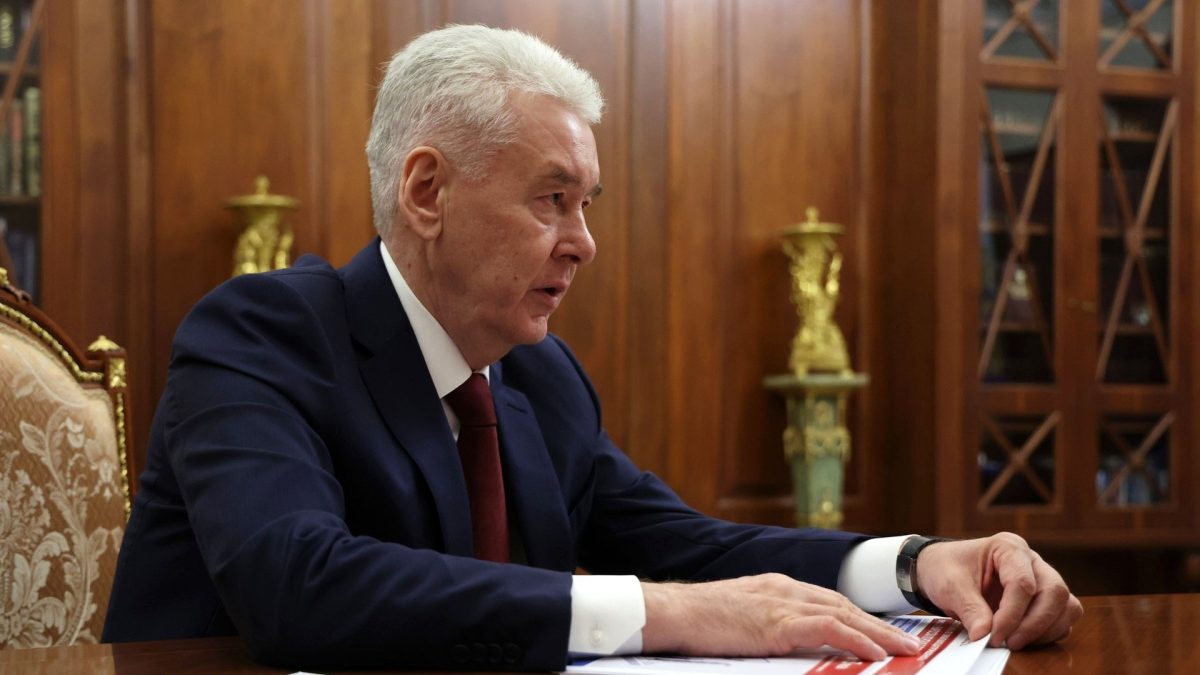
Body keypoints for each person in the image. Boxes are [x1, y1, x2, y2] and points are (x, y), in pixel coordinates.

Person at [103, 24, 1082, 671]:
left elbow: (690, 547)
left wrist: (916, 563)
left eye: (587, 204)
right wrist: (673, 614)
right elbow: (295, 582)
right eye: (552, 199)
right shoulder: (261, 333)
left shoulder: (538, 376)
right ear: (427, 192)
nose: (584, 243)